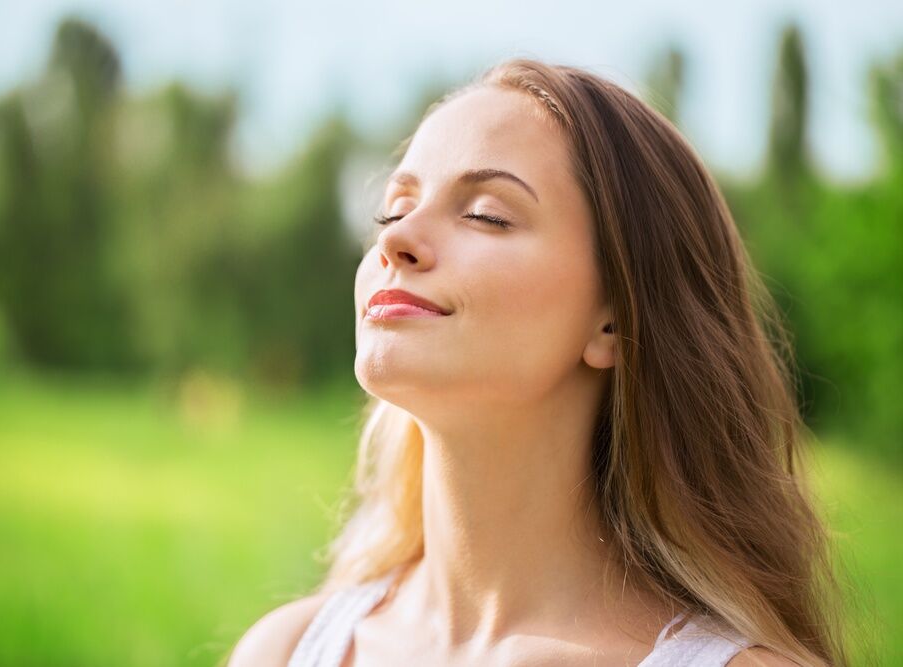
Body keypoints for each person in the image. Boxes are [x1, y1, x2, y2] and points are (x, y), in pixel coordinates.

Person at [228, 58, 845, 666]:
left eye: (485, 215)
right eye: (394, 208)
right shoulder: (284, 651)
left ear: (615, 319)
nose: (394, 239)